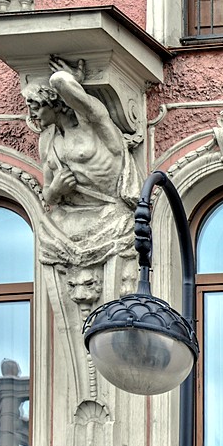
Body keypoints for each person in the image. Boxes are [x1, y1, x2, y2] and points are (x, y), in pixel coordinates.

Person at [23, 56, 141, 286]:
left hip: (110, 212)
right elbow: (47, 193)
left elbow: (60, 81)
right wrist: (56, 190)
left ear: (55, 103)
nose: (33, 114)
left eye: (36, 107)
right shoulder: (48, 140)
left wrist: (71, 82)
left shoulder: (92, 123)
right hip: (70, 218)